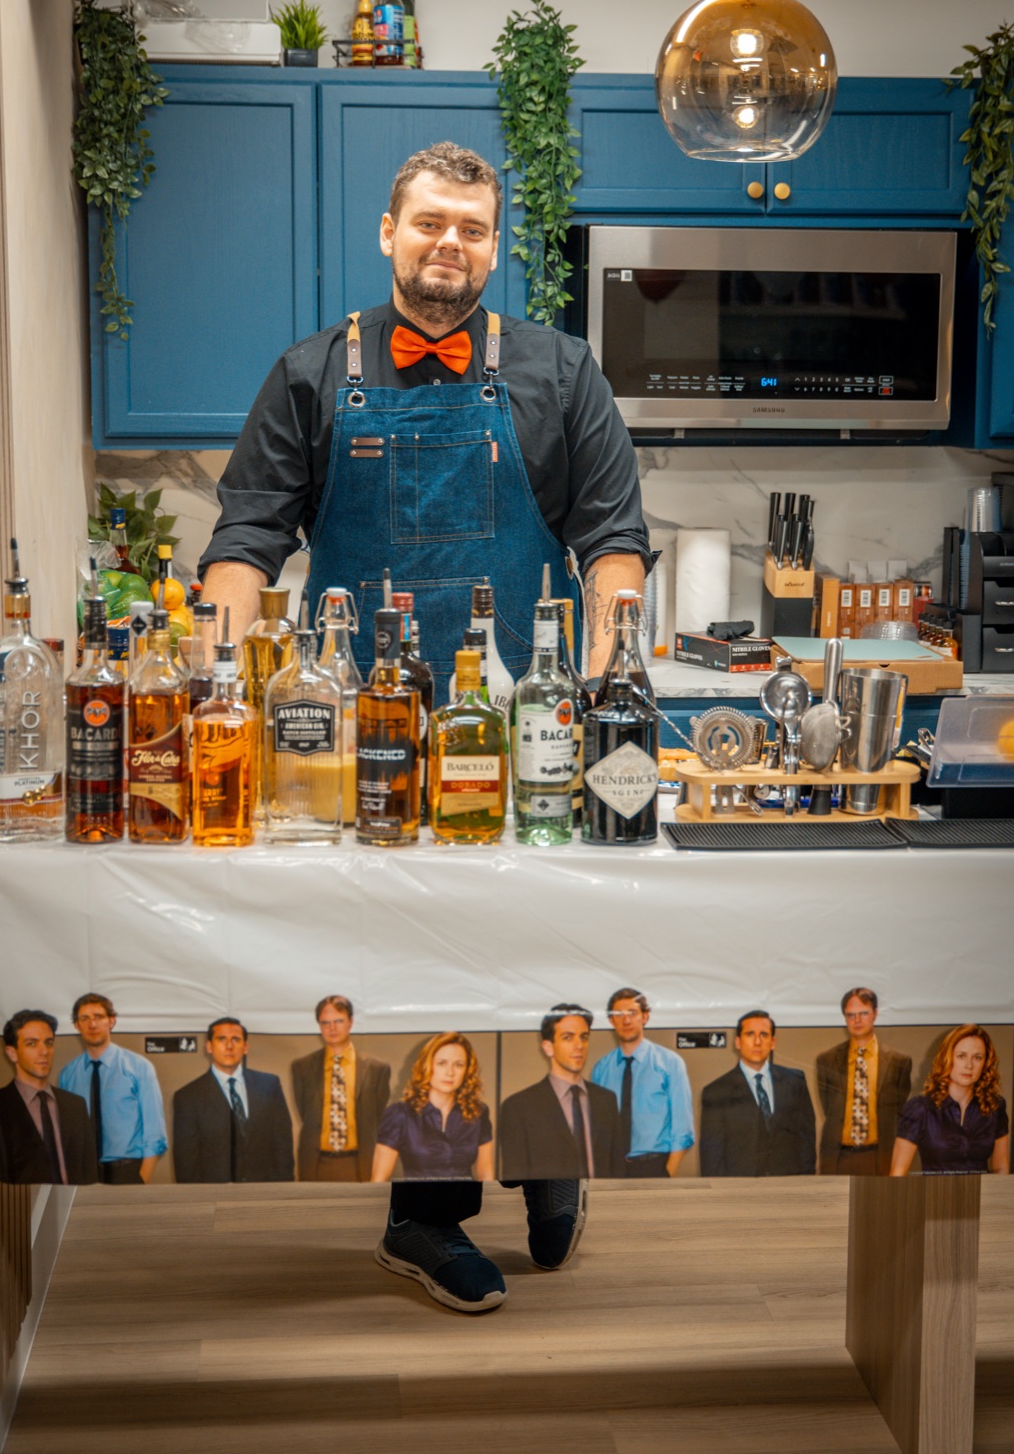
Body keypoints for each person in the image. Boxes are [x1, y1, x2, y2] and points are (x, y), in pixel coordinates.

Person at [198, 141, 651, 1311]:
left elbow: (610, 539)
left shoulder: (559, 372)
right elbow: (246, 542)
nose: (450, 245)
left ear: (494, 248)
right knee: (410, 952)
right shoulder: (310, 374)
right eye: (430, 223)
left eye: (473, 229)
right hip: (363, 729)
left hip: (524, 717)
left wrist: (603, 676)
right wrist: (213, 674)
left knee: (544, 931)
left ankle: (548, 1158)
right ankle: (425, 1212)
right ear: (388, 233)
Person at [499, 1005, 623, 1185]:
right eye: (568, 1037)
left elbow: (618, 1170)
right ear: (548, 1047)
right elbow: (511, 1180)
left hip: (604, 1207)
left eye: (584, 1037)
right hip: (547, 1210)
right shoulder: (519, 1107)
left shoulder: (606, 1100)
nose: (579, 1045)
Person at [0, 1009, 98, 1186]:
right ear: (12, 1053)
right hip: (22, 1209)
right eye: (32, 1044)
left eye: (48, 1043)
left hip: (76, 1209)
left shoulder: (75, 1105)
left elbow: (89, 1173)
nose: (44, 1052)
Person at [58, 992, 168, 1184]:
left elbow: (155, 1133)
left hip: (127, 1172)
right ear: (77, 1025)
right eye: (85, 1018)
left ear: (111, 1021)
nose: (92, 1025)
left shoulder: (139, 1068)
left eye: (98, 1017)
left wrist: (141, 1179)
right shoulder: (68, 1075)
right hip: (83, 1174)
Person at [172, 1017, 293, 1184]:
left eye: (236, 1039)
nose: (229, 1046)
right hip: (215, 1199)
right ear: (209, 1046)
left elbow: (283, 1146)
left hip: (265, 1195)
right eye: (221, 1039)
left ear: (245, 1047)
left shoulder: (269, 1085)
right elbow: (186, 1164)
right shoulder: (187, 1097)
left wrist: (283, 1192)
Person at [589, 987, 695, 1178]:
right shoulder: (601, 1069)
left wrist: (666, 1174)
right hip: (610, 1169)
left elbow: (683, 1129)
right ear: (611, 1021)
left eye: (632, 1013)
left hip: (654, 1167)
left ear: (645, 1017)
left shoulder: (669, 1063)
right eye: (618, 1014)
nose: (626, 1020)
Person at [699, 1011, 816, 1178]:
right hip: (740, 1193)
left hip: (788, 1190)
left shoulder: (795, 1082)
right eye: (750, 1034)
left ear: (773, 1042)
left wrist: (805, 1185)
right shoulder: (716, 1091)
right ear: (738, 1042)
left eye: (764, 1035)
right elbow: (712, 1158)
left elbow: (807, 1141)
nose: (757, 1041)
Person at [371, 1032, 494, 1185]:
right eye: (442, 1063)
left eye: (458, 1065)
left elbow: (486, 1176)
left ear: (467, 1070)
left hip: (465, 1206)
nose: (450, 1072)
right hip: (416, 1206)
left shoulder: (479, 1113)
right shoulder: (399, 1114)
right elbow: (378, 1182)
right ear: (427, 1066)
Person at [291, 994, 391, 1182]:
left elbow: (378, 1115)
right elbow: (305, 1112)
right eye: (325, 1023)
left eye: (339, 1020)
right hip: (316, 1164)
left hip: (360, 1163)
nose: (332, 1028)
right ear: (319, 1026)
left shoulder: (377, 1069)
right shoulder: (302, 1067)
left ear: (350, 1022)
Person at [815, 986, 912, 1176]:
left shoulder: (898, 1062)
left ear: (875, 1014)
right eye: (850, 1015)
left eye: (863, 1013)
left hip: (879, 1155)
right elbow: (829, 1108)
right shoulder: (826, 1060)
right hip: (838, 1157)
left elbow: (898, 1109)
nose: (857, 1020)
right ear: (844, 1018)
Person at [891, 1024, 1009, 1177]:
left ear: (985, 1063)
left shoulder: (996, 1107)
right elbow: (897, 1174)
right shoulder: (920, 1108)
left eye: (977, 1057)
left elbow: (1001, 1169)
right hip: (933, 1197)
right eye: (961, 1056)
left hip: (980, 1198)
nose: (969, 1065)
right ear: (947, 1058)